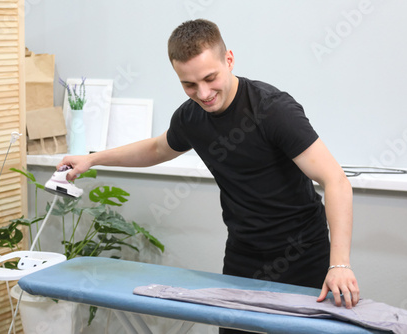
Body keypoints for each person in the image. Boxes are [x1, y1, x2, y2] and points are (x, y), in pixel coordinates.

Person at [58, 19, 359, 334]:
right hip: (243, 254)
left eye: (210, 78)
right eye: (189, 84)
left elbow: (336, 181)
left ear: (229, 59)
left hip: (302, 253)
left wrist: (339, 265)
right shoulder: (191, 118)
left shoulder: (273, 110)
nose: (203, 93)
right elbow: (156, 149)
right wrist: (92, 159)